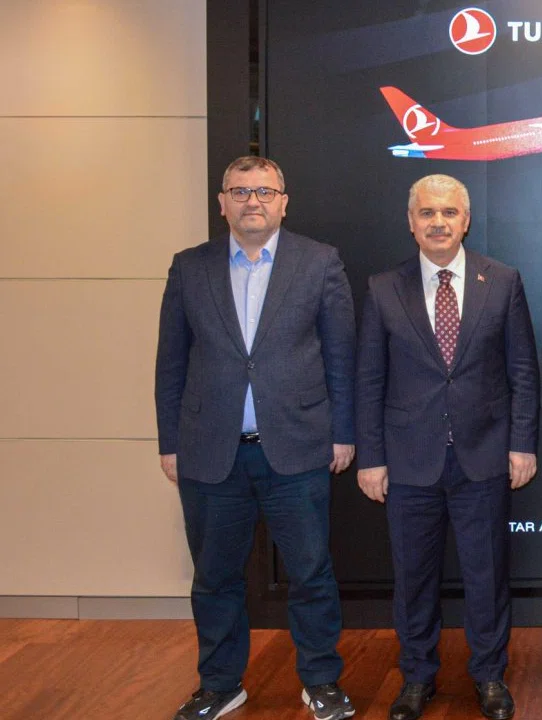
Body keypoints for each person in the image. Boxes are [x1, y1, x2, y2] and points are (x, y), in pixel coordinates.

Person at [155, 156, 357, 720]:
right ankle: (220, 685)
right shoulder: (189, 267)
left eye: (264, 192)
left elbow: (342, 357)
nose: (253, 201)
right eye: (240, 191)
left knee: (311, 573)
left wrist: (343, 433)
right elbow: (170, 362)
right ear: (222, 202)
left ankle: (321, 682)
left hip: (298, 447)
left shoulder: (319, 262)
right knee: (214, 577)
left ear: (283, 202)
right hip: (209, 452)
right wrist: (170, 442)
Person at [354, 174, 539, 720]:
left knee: (487, 576)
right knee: (413, 579)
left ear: (466, 221)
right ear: (411, 222)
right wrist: (371, 457)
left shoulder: (502, 281)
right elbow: (369, 379)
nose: (438, 222)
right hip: (409, 460)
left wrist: (522, 443)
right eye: (428, 213)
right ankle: (417, 677)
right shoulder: (383, 288)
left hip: (484, 455)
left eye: (449, 213)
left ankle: (489, 675)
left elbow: (523, 371)